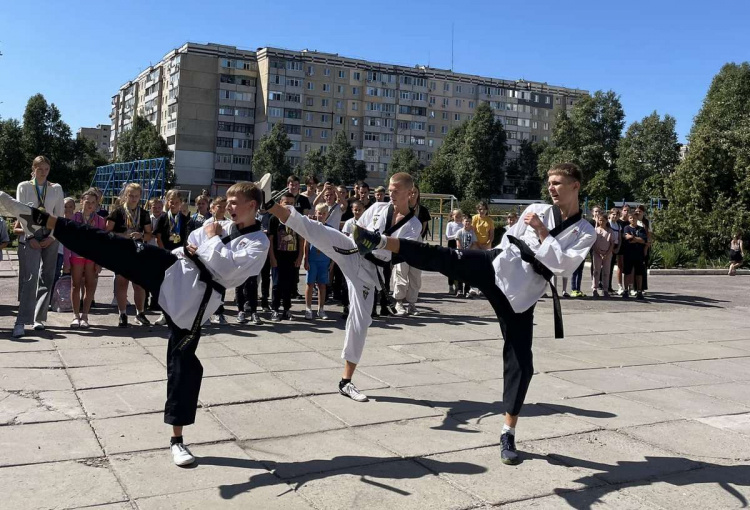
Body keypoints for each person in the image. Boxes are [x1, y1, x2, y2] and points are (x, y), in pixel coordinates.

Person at [1, 179, 269, 467]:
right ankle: (41, 218)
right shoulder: (223, 228)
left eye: (232, 202)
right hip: (173, 266)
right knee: (112, 246)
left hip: (193, 302)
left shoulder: (258, 242)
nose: (227, 207)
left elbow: (228, 271)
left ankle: (177, 440)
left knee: (183, 366)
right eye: (226, 202)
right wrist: (207, 247)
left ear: (252, 206)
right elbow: (193, 245)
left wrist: (211, 242)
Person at [351, 163, 595, 465]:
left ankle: (508, 431)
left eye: (558, 183)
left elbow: (564, 266)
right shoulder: (536, 208)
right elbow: (511, 238)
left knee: (522, 362)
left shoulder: (585, 231)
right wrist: (504, 255)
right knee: (446, 258)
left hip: (523, 294)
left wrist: (542, 233)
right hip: (498, 266)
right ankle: (379, 241)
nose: (551, 188)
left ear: (575, 186)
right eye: (549, 182)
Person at [265, 172, 421, 402]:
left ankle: (345, 382)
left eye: (396, 190)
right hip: (352, 251)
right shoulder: (378, 207)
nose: (391, 194)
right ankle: (267, 202)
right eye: (389, 189)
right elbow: (357, 229)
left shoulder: (413, 225)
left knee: (360, 322)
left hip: (370, 271)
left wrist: (377, 241)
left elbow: (398, 250)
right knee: (314, 229)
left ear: (410, 193)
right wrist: (359, 236)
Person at [12, 156, 65, 338]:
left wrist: (52, 237)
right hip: (31, 234)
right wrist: (30, 236)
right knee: (30, 277)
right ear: (33, 169)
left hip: (50, 235)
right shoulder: (24, 186)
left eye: (46, 169)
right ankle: (20, 321)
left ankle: (39, 318)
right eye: (39, 168)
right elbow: (21, 212)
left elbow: (59, 214)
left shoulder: (55, 188)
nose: (43, 172)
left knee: (47, 276)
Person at [106, 183, 153, 327]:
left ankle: (140, 313)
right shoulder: (117, 212)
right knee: (122, 284)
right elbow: (107, 233)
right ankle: (123, 314)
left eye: (136, 196)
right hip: (121, 252)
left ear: (140, 197)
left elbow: (149, 234)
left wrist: (141, 235)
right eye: (131, 195)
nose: (133, 199)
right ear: (125, 196)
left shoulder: (144, 213)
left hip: (138, 252)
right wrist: (122, 235)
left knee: (139, 285)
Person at [66, 189, 107, 328]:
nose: (90, 205)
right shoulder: (73, 218)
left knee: (90, 286)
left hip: (92, 258)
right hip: (76, 256)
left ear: (96, 205)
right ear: (81, 201)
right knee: (75, 285)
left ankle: (85, 316)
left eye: (93, 203)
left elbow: (102, 244)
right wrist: (66, 261)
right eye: (87, 202)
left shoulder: (100, 221)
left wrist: (100, 262)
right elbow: (67, 242)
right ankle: (75, 316)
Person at [393, 186, 430, 316]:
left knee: (415, 275)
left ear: (418, 194)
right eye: (411, 192)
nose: (413, 195)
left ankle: (412, 304)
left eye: (415, 192)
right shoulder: (401, 208)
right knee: (400, 274)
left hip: (417, 244)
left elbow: (423, 230)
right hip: (402, 243)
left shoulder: (422, 210)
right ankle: (399, 302)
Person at [268, 193, 303, 321]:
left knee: (289, 284)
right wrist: (272, 257)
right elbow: (270, 240)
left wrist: (300, 256)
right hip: (278, 257)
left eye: (291, 203)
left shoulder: (297, 219)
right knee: (277, 284)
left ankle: (287, 309)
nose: (288, 205)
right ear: (280, 203)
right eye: (285, 202)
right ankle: (275, 309)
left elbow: (301, 239)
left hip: (292, 257)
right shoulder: (273, 219)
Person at [303, 203, 333, 320]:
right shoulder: (311, 227)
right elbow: (306, 243)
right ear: (315, 213)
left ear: (327, 214)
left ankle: (321, 309)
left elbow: (333, 246)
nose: (321, 215)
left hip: (324, 260)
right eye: (319, 213)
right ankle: (308, 308)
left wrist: (332, 262)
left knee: (322, 285)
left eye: (324, 213)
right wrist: (306, 259)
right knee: (310, 284)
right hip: (312, 259)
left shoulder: (330, 229)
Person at [339, 200, 365, 318]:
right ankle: (346, 306)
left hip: (363, 257)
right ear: (352, 210)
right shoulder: (349, 223)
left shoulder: (367, 222)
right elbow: (344, 238)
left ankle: (364, 308)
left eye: (360, 209)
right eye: (355, 209)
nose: (358, 212)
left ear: (364, 210)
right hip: (350, 256)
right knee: (347, 283)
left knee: (363, 282)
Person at [622, 212, 648, 300]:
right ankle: (625, 290)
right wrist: (636, 239)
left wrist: (633, 238)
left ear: (637, 219)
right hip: (628, 254)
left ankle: (639, 291)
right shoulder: (626, 228)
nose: (633, 220)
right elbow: (627, 238)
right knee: (627, 272)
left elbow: (643, 240)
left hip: (639, 254)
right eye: (631, 218)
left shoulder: (641, 229)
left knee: (639, 273)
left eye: (634, 218)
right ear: (628, 219)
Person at [591, 212, 615, 298]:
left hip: (607, 253)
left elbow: (612, 243)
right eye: (600, 220)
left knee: (606, 272)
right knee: (596, 271)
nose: (602, 222)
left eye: (603, 220)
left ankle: (605, 289)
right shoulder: (595, 230)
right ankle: (594, 288)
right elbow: (593, 243)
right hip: (597, 253)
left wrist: (607, 253)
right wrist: (599, 253)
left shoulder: (610, 231)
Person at [455, 215, 478, 298]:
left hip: (469, 255)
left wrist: (468, 252)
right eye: (465, 221)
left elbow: (474, 243)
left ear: (471, 222)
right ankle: (459, 289)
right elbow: (458, 243)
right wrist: (462, 252)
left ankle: (467, 290)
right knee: (460, 273)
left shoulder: (472, 233)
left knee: (468, 274)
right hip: (460, 255)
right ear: (462, 222)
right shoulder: (459, 232)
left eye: (469, 221)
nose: (467, 223)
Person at [445, 209, 463, 294]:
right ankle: (450, 285)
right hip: (452, 244)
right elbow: (447, 236)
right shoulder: (450, 224)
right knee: (451, 266)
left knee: (460, 266)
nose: (458, 218)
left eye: (460, 216)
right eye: (456, 216)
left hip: (461, 245)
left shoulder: (463, 224)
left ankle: (459, 287)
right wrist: (457, 235)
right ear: (452, 216)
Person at [615, 204, 631, 295]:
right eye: (625, 210)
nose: (626, 212)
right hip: (620, 246)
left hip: (628, 246)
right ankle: (620, 286)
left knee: (628, 267)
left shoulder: (630, 222)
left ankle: (629, 287)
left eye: (628, 210)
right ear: (622, 211)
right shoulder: (618, 222)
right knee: (620, 266)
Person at [607, 208, 622, 293]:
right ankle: (604, 286)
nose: (614, 216)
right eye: (613, 214)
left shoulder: (618, 225)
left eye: (616, 215)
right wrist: (610, 248)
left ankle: (609, 286)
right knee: (606, 268)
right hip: (608, 247)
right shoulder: (608, 224)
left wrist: (618, 248)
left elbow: (619, 238)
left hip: (615, 247)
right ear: (610, 215)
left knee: (611, 268)